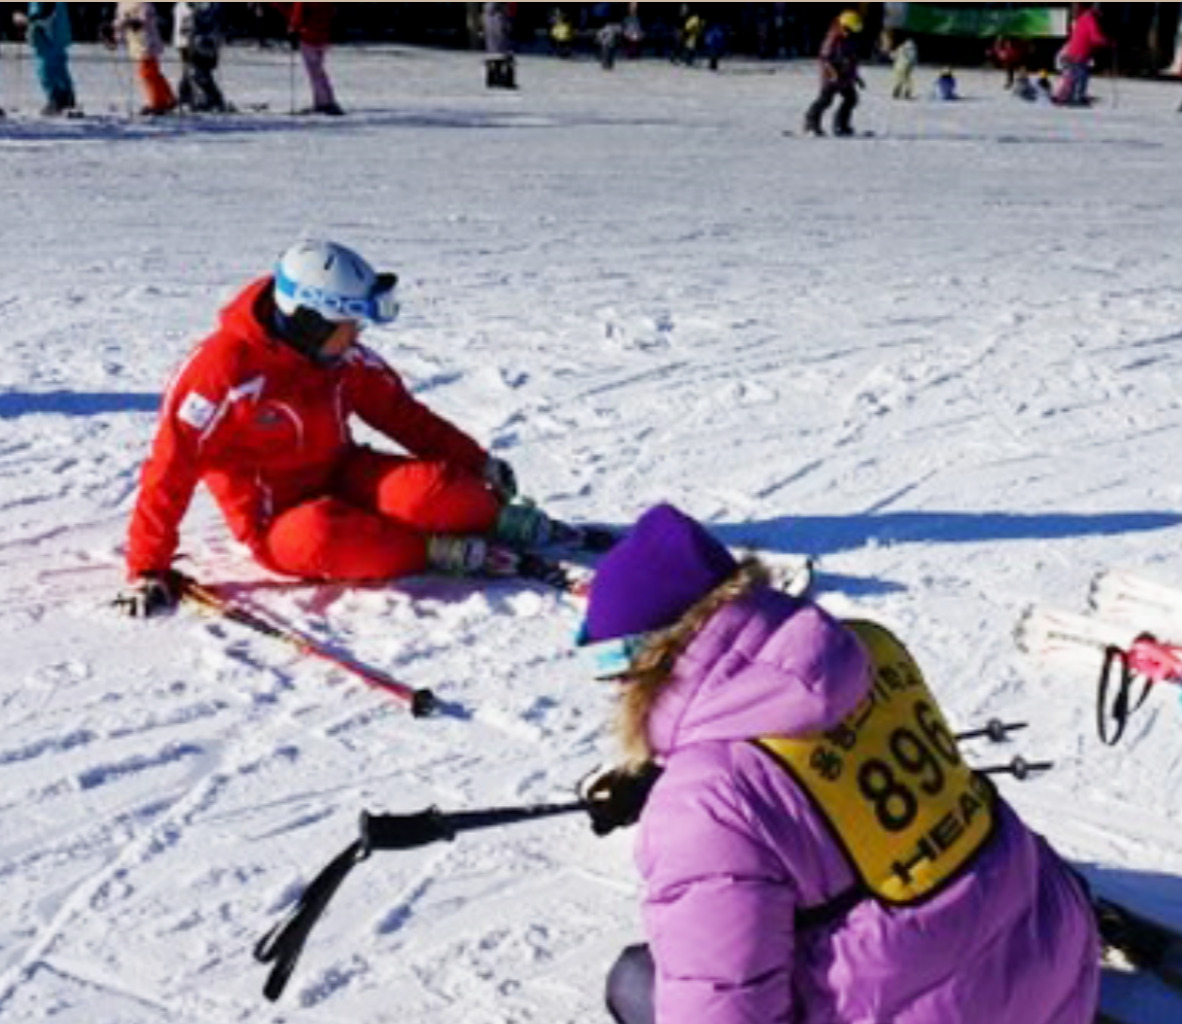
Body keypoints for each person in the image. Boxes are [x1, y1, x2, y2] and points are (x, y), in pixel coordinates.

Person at [578, 504, 1101, 1024]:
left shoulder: (704, 800)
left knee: (635, 980)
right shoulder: (867, 648)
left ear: (651, 660)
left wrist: (687, 791)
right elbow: (821, 767)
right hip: (1055, 962)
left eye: (611, 669)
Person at [115, 240, 579, 618]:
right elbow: (170, 467)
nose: (356, 335)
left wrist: (477, 463)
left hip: (342, 473)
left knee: (437, 492)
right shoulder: (220, 372)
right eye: (347, 324)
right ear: (308, 322)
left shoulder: (339, 357)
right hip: (275, 518)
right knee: (323, 538)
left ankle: (497, 519)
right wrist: (148, 567)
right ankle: (433, 551)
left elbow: (403, 415)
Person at [802, 10, 864, 137]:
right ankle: (811, 122)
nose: (850, 33)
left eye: (853, 31)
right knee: (825, 100)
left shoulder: (848, 39)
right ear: (843, 26)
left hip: (845, 76)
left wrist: (856, 77)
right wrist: (833, 73)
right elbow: (825, 58)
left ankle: (841, 124)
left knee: (851, 99)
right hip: (831, 77)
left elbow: (852, 60)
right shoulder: (833, 39)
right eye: (849, 30)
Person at [110, 1, 177, 116]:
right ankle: (167, 98)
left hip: (147, 40)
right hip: (136, 42)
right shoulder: (122, 4)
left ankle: (158, 103)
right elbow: (120, 22)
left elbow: (146, 17)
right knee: (152, 72)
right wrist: (114, 35)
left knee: (147, 72)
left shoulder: (143, 3)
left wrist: (135, 22)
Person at [274, 3, 342, 115]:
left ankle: (325, 102)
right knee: (318, 70)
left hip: (308, 36)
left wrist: (293, 29)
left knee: (315, 72)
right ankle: (322, 100)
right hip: (323, 35)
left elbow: (297, 13)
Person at [19, 3, 75, 116]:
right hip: (57, 28)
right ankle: (67, 98)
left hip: (46, 30)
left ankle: (56, 99)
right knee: (59, 63)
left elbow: (44, 11)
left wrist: (30, 19)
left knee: (45, 66)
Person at [175, 2, 228, 113]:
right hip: (189, 41)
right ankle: (186, 97)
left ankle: (213, 99)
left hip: (203, 42)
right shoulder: (183, 5)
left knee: (199, 72)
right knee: (189, 70)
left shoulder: (210, 6)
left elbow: (212, 20)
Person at [1055, 2, 1108, 107]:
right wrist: (1107, 42)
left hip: (1074, 51)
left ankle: (1067, 95)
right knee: (1081, 75)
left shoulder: (1083, 17)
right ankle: (1076, 97)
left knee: (1073, 75)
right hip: (1080, 52)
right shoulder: (1090, 19)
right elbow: (1095, 37)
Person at [484, 2, 517, 89]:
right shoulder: (500, 15)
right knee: (506, 61)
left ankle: (493, 79)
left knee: (494, 61)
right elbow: (503, 29)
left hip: (491, 46)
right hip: (501, 45)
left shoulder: (488, 14)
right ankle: (505, 81)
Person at [889, 32, 917, 100]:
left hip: (899, 66)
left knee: (899, 79)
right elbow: (913, 59)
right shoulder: (913, 49)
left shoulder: (902, 47)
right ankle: (907, 93)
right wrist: (912, 65)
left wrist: (891, 54)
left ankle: (896, 92)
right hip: (908, 66)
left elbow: (894, 56)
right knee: (907, 80)